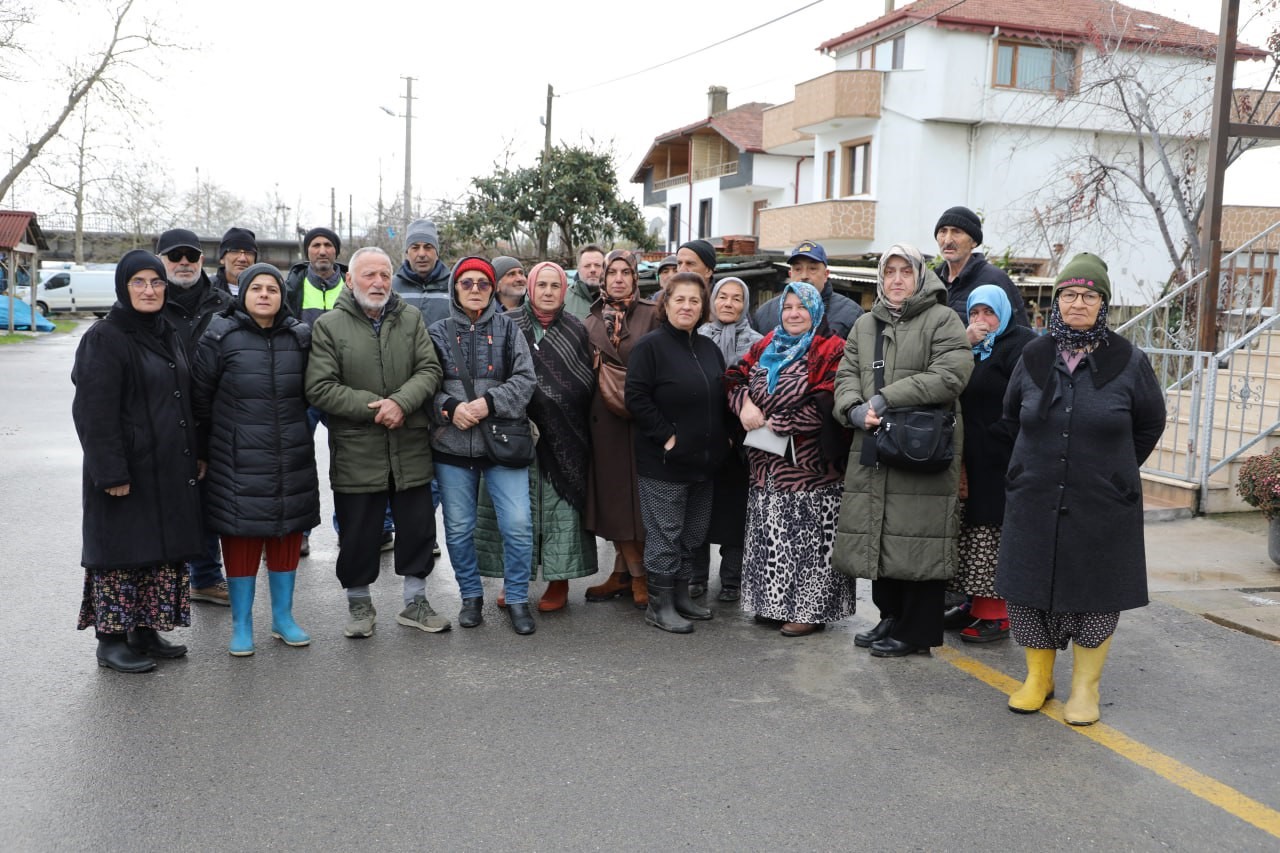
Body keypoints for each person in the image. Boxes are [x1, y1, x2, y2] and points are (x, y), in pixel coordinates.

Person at [997, 253, 1165, 725]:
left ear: (1103, 304)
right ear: (1056, 302)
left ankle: (1085, 687)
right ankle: (1038, 678)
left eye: (1089, 296)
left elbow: (1150, 423)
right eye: (1068, 295)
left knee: (1097, 592)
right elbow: (1011, 417)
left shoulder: (1129, 361)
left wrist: (1116, 471)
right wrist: (1028, 466)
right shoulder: (1034, 355)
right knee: (1029, 589)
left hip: (1102, 499)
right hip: (1034, 494)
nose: (1077, 303)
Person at [833, 244, 973, 656]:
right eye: (889, 271)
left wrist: (885, 398)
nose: (896, 279)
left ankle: (917, 632)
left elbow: (951, 375)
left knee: (919, 537)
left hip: (922, 447)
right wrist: (852, 409)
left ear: (920, 276)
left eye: (905, 271)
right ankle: (890, 616)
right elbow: (845, 375)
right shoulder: (865, 324)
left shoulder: (943, 319)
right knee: (880, 531)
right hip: (874, 442)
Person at [72, 250, 204, 672]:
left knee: (157, 551)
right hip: (125, 470)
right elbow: (93, 412)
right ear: (123, 287)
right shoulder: (105, 337)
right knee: (122, 553)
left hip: (165, 466)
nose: (150, 290)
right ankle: (111, 641)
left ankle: (145, 631)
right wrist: (110, 471)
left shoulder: (166, 332)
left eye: (157, 282)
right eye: (139, 282)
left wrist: (196, 452)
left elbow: (183, 397)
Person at [305, 247, 445, 639]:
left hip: (409, 444)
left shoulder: (410, 318)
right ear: (350, 280)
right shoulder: (329, 326)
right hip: (357, 449)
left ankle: (415, 602)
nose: (379, 282)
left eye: (385, 274)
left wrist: (401, 403)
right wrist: (375, 408)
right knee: (359, 534)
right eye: (369, 275)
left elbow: (429, 369)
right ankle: (359, 604)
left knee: (417, 529)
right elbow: (320, 386)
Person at [192, 263, 320, 656]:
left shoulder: (300, 337)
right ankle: (242, 624)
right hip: (236, 457)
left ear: (283, 297)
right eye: (257, 288)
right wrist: (205, 449)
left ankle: (283, 618)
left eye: (273, 289)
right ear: (243, 294)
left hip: (290, 455)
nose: (265, 295)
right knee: (241, 536)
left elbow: (314, 391)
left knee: (286, 532)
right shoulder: (220, 334)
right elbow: (200, 397)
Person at [727, 282, 854, 636]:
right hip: (765, 465)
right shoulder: (766, 344)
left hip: (811, 469)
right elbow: (734, 378)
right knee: (772, 538)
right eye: (788, 307)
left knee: (810, 541)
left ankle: (809, 611)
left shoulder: (831, 348)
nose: (794, 313)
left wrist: (777, 424)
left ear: (816, 311)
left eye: (802, 307)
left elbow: (828, 399)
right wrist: (744, 406)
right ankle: (773, 605)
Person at [475, 261, 598, 612]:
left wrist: (558, 400)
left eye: (554, 286)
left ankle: (559, 581)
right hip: (514, 432)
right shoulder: (506, 323)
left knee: (561, 512)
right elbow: (493, 372)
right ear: (530, 288)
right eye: (541, 285)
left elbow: (584, 380)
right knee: (515, 511)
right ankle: (514, 578)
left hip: (567, 436)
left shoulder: (576, 329)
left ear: (564, 290)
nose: (547, 291)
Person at [428, 257, 538, 634]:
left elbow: (525, 379)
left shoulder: (509, 329)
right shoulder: (437, 332)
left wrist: (488, 403)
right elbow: (423, 383)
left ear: (492, 289)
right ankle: (471, 596)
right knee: (459, 528)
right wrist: (448, 407)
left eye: (483, 284)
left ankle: (518, 597)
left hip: (503, 443)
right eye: (467, 283)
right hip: (452, 447)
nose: (475, 289)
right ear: (455, 288)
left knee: (518, 524)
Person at [625, 272, 728, 633]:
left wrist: (725, 440)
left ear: (703, 308)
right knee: (665, 534)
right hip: (664, 462)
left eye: (694, 300)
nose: (687, 306)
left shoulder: (709, 348)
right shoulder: (649, 347)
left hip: (704, 463)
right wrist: (668, 438)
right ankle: (660, 605)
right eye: (679, 299)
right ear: (665, 304)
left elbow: (721, 397)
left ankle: (682, 596)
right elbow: (636, 398)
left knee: (693, 534)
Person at [944, 284, 1036, 642]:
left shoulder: (1020, 344)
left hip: (1001, 456)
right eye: (975, 313)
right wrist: (964, 343)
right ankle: (973, 603)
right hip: (971, 455)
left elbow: (1027, 397)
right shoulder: (971, 346)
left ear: (1005, 313)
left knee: (992, 533)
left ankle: (997, 614)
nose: (981, 320)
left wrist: (1000, 437)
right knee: (972, 532)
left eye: (989, 312)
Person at [156, 227, 233, 605]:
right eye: (174, 256)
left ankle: (205, 577)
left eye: (190, 256)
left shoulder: (224, 304)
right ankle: (162, 586)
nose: (183, 262)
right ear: (161, 261)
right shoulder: (148, 301)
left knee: (209, 504)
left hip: (213, 420)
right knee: (163, 506)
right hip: (162, 420)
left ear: (203, 260)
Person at [582, 250, 661, 607]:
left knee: (640, 505)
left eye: (625, 272)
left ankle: (634, 574)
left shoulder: (653, 314)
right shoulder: (590, 320)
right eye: (611, 272)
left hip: (643, 419)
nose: (617, 278)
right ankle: (629, 574)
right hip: (604, 423)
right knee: (615, 503)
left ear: (635, 277)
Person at [689, 275, 762, 601]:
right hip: (701, 438)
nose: (729, 303)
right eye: (723, 297)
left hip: (740, 444)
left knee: (735, 512)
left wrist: (734, 434)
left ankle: (732, 578)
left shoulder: (759, 343)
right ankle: (696, 576)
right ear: (713, 301)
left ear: (745, 304)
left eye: (736, 298)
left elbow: (760, 393)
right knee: (697, 509)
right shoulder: (696, 338)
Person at [933, 205, 1031, 329]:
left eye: (956, 232)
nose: (947, 240)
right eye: (943, 231)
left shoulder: (995, 279)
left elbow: (1021, 332)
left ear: (974, 242)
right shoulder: (931, 281)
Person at [751, 240, 862, 339]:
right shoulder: (765, 313)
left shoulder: (851, 313)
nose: (804, 276)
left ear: (826, 275)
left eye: (812, 269)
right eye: (798, 269)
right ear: (790, 274)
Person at [392, 218, 452, 327]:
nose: (422, 254)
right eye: (415, 248)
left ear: (437, 253)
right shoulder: (391, 287)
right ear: (407, 253)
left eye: (428, 247)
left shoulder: (454, 285)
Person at [284, 226, 348, 328]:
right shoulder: (291, 288)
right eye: (316, 245)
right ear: (307, 252)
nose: (322, 252)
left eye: (328, 245)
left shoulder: (351, 286)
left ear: (336, 251)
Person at [211, 227, 258, 297]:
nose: (242, 259)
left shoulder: (264, 292)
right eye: (235, 251)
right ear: (222, 258)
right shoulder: (207, 290)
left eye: (248, 252)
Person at [563, 244, 606, 319]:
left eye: (597, 265)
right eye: (587, 266)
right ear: (578, 269)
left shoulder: (617, 299)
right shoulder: (563, 300)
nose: (593, 270)